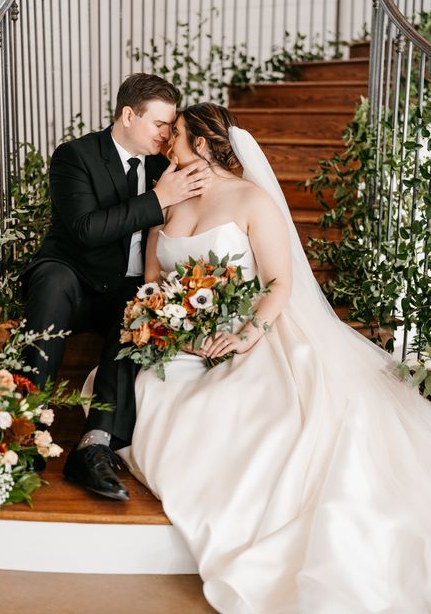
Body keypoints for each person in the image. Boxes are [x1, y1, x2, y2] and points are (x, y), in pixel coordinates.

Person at [89, 102, 431, 612]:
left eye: (175, 135)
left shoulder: (252, 201)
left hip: (252, 333)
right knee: (151, 395)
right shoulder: (164, 202)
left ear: (201, 145)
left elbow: (279, 283)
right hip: (180, 340)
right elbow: (154, 282)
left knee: (254, 413)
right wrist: (167, 325)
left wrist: (248, 335)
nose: (166, 144)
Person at [21, 74, 212, 501]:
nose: (166, 135)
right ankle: (25, 423)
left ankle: (95, 447)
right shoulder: (76, 156)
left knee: (142, 310)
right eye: (158, 124)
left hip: (127, 287)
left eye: (170, 127)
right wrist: (158, 199)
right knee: (51, 281)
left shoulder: (168, 166)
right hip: (74, 278)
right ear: (128, 115)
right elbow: (87, 230)